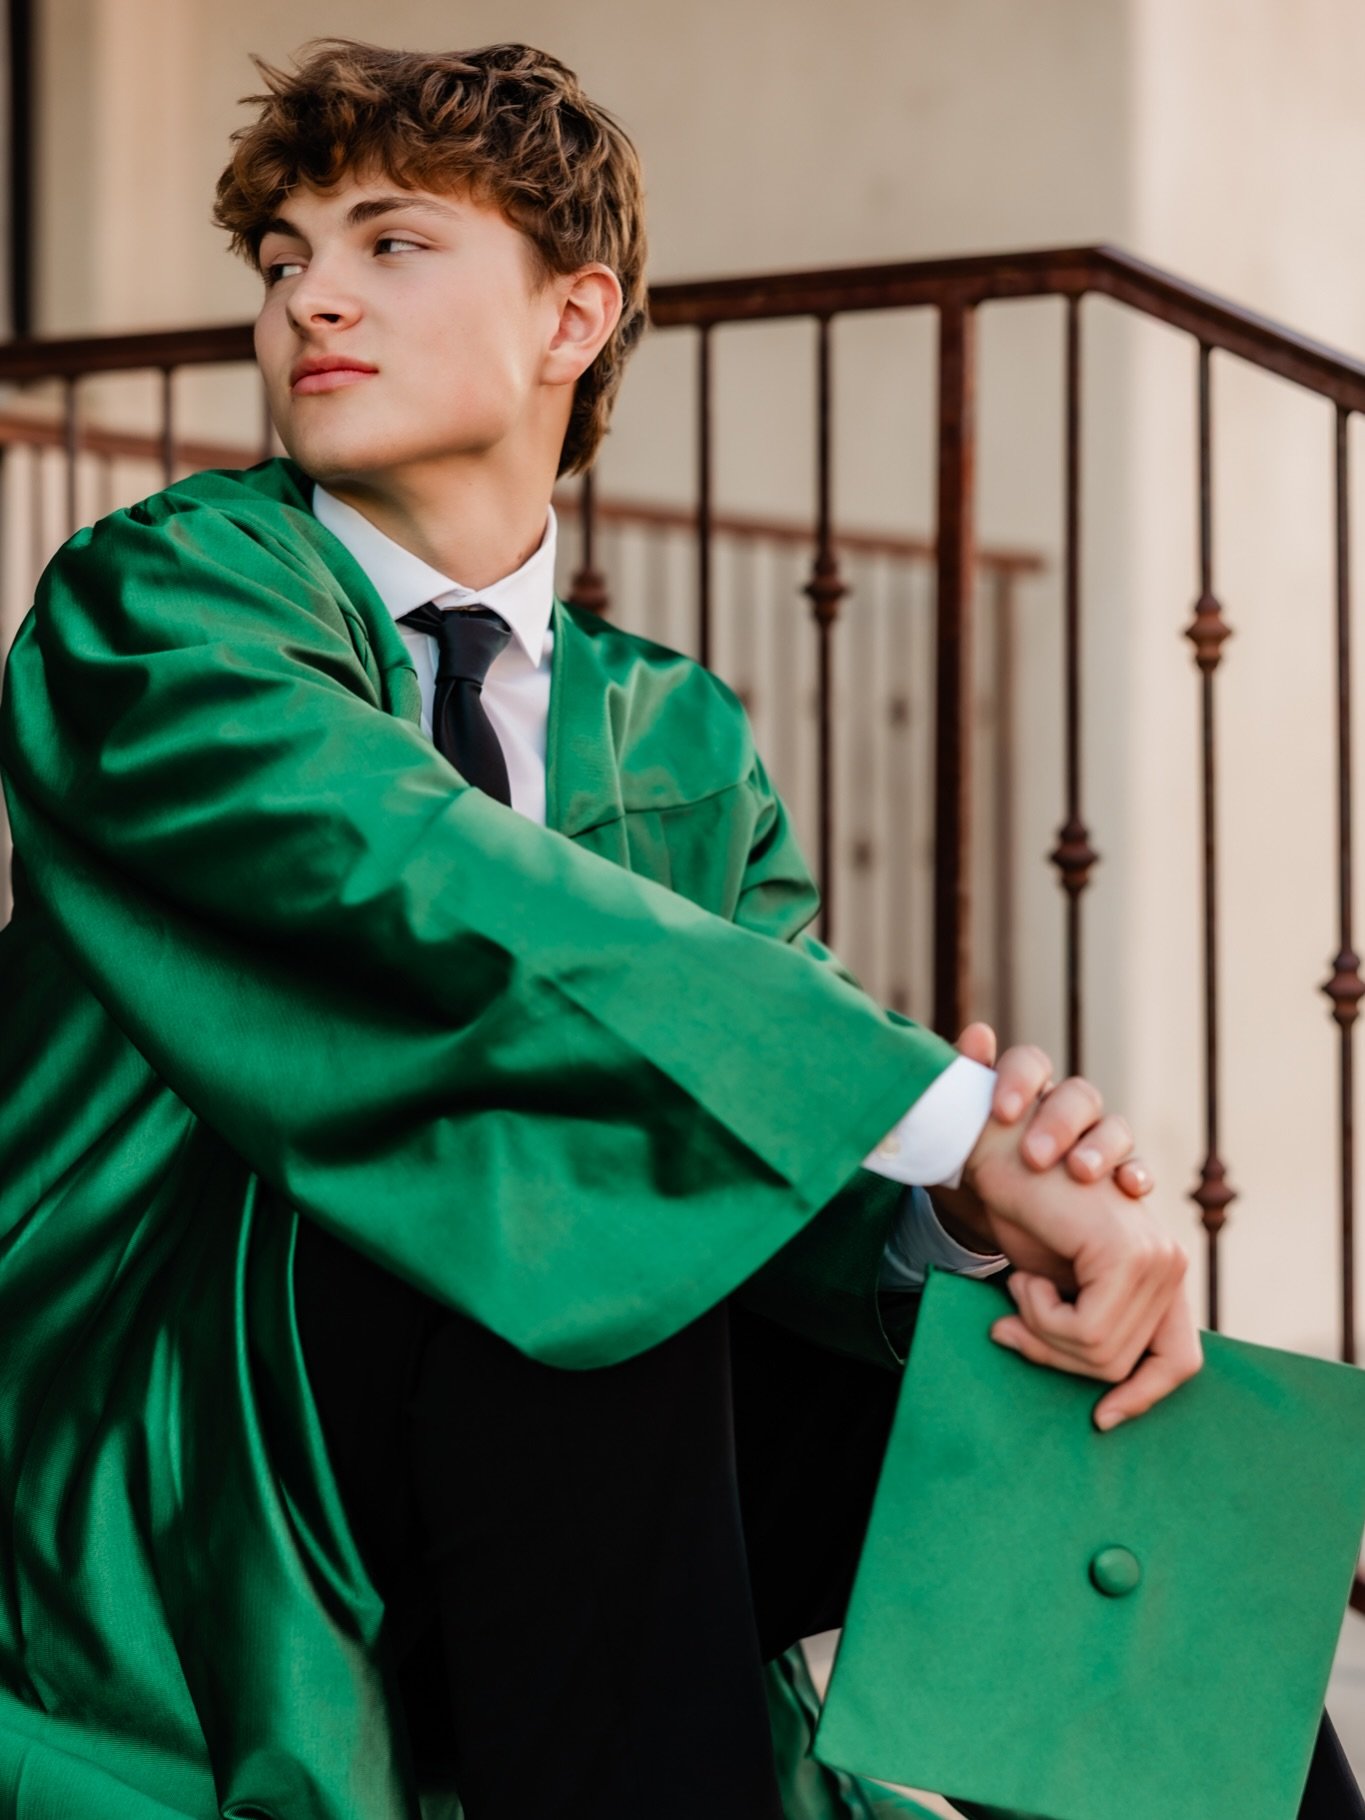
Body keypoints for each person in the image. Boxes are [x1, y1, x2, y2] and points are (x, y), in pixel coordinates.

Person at [0, 36, 1351, 1820]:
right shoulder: (162, 602)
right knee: (564, 1225)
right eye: (282, 258)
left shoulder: (671, 729)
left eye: (390, 243)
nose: (310, 295)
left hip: (536, 1393)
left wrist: (957, 1210)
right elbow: (403, 877)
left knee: (1086, 1446)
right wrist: (929, 1107)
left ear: (575, 318)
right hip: (175, 1414)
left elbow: (759, 1157)